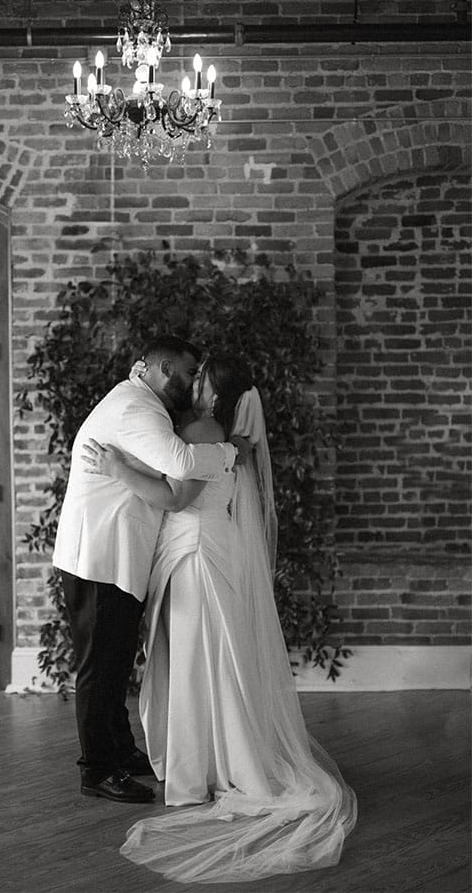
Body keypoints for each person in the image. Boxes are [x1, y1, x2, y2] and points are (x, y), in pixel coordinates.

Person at [82, 353, 357, 883]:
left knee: (194, 656)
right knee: (203, 656)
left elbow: (176, 496)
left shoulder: (205, 426)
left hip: (197, 550)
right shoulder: (216, 431)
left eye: (198, 374)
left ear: (210, 387)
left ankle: (199, 770)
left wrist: (118, 468)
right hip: (203, 546)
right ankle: (211, 760)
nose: (192, 380)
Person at [52, 336, 251, 805]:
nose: (188, 383)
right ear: (161, 369)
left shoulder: (148, 407)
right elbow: (180, 464)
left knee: (114, 662)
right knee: (99, 668)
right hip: (99, 556)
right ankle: (97, 769)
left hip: (118, 555)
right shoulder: (136, 408)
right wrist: (230, 453)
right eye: (185, 374)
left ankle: (119, 751)